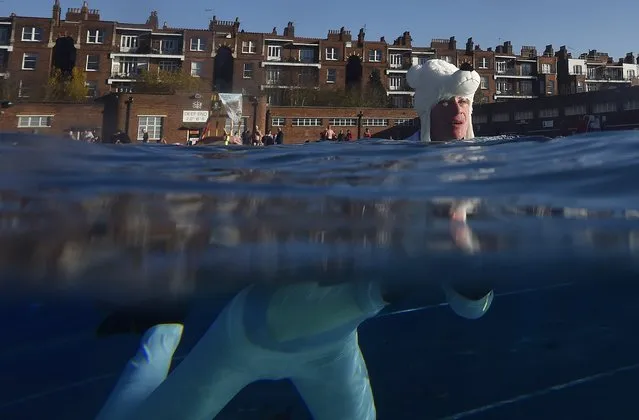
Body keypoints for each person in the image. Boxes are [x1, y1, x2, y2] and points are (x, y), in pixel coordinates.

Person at [405, 59, 481, 143]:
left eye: (462, 101)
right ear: (426, 111)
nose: (457, 110)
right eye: (445, 102)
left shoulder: (481, 152)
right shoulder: (404, 154)